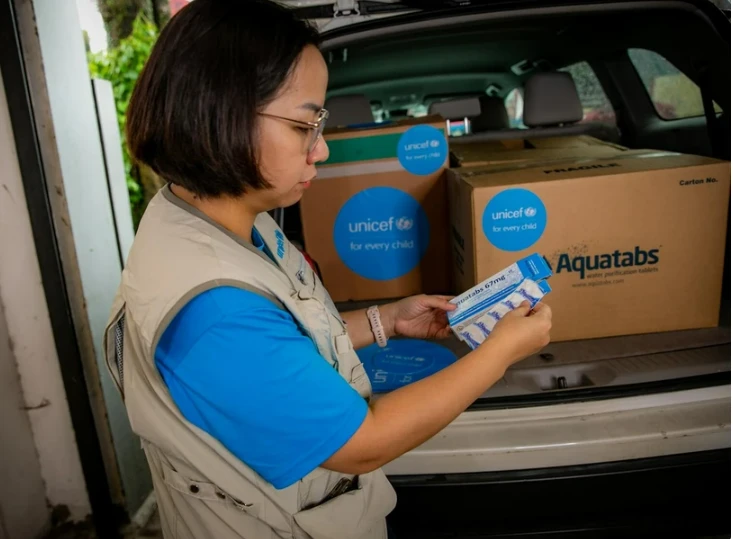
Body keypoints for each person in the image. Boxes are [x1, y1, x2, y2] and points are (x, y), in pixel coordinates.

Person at [103, 1, 553, 538]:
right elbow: (363, 443)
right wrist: (500, 352)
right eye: (303, 125)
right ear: (219, 113)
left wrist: (387, 321)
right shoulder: (214, 314)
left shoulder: (227, 216)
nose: (322, 149)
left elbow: (288, 337)